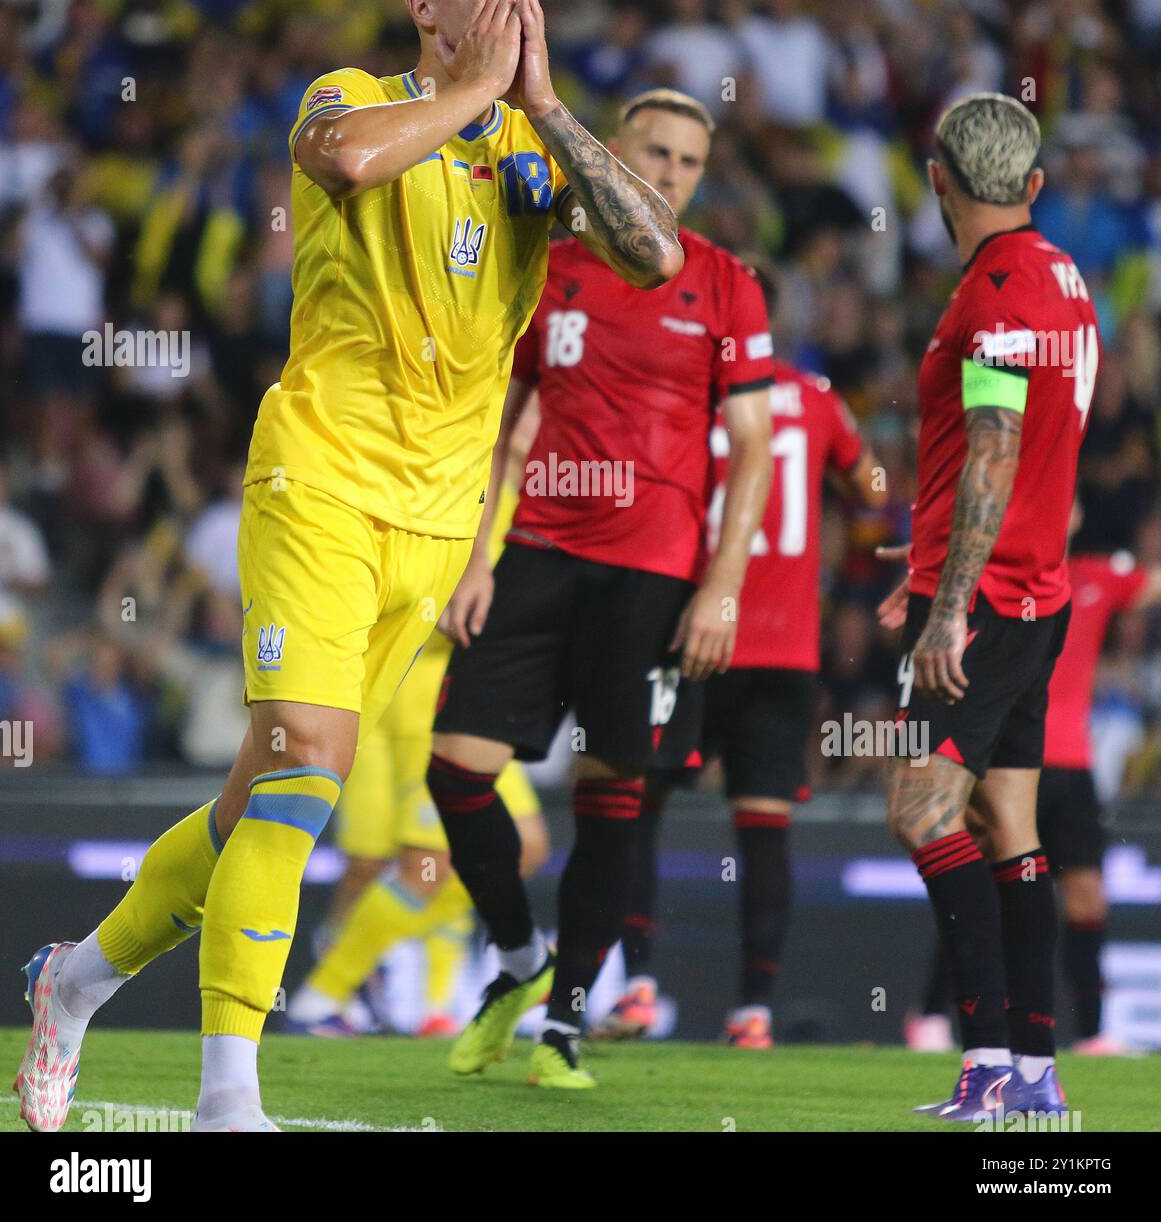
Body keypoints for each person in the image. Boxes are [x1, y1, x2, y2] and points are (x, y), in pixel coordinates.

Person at [14, 0, 683, 1134]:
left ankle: (77, 979)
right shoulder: (354, 94)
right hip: (318, 477)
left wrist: (539, 103)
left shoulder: (532, 157)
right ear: (424, 7)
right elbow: (348, 162)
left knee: (258, 805)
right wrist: (478, 86)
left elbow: (653, 253)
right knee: (305, 763)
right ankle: (229, 1099)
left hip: (433, 527)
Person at [428, 88, 775, 1088]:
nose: (667, 174)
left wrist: (722, 588)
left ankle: (566, 1025)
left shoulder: (723, 284)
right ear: (607, 155)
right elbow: (509, 424)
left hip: (655, 576)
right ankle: (518, 960)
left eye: (686, 161)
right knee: (454, 767)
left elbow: (751, 449)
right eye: (652, 153)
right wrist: (474, 554)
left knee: (611, 795)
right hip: (538, 550)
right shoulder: (553, 268)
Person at [879, 92, 1100, 1121]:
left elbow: (998, 447)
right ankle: (1038, 1076)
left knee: (921, 806)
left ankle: (985, 1066)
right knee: (1006, 817)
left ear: (938, 181)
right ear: (1035, 185)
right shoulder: (1063, 277)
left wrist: (946, 604)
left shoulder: (994, 296)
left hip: (988, 595)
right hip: (1038, 588)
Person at [600, 263, 883, 1047]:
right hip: (783, 652)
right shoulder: (818, 399)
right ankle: (753, 1008)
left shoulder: (682, 394)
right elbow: (870, 488)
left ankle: (639, 988)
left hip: (687, 630)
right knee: (761, 829)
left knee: (637, 809)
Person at [285, 398, 550, 1038]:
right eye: (538, 407)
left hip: (461, 696)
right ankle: (326, 993)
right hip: (426, 700)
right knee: (420, 862)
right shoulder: (462, 485)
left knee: (476, 854)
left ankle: (419, 993)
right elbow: (440, 598)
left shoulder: (516, 491)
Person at [901, 503, 1161, 1055]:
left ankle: (1090, 1033)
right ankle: (930, 1014)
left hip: (1071, 765)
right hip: (1006, 759)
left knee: (1086, 897)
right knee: (983, 891)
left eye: (1068, 503)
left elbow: (1152, 585)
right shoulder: (991, 578)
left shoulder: (1094, 578)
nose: (1062, 511)